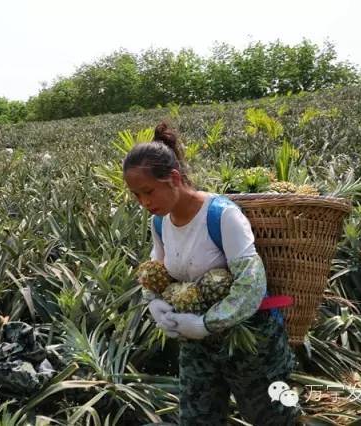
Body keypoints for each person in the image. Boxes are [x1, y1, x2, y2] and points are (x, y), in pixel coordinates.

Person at [122, 121, 300, 425]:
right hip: (197, 345)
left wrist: (206, 323)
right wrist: (154, 302)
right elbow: (156, 268)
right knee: (197, 418)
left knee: (273, 417)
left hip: (252, 343)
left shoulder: (222, 215)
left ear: (174, 178)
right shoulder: (160, 223)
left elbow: (251, 284)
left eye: (148, 192)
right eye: (137, 196)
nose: (144, 203)